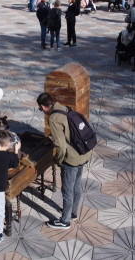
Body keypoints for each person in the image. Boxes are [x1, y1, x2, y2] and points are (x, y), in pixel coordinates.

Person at [37, 92, 92, 229]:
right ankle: (73, 213)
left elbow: (60, 146)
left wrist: (58, 160)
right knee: (77, 185)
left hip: (71, 159)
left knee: (67, 190)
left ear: (43, 107)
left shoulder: (54, 118)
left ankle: (65, 221)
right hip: (83, 153)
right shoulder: (64, 108)